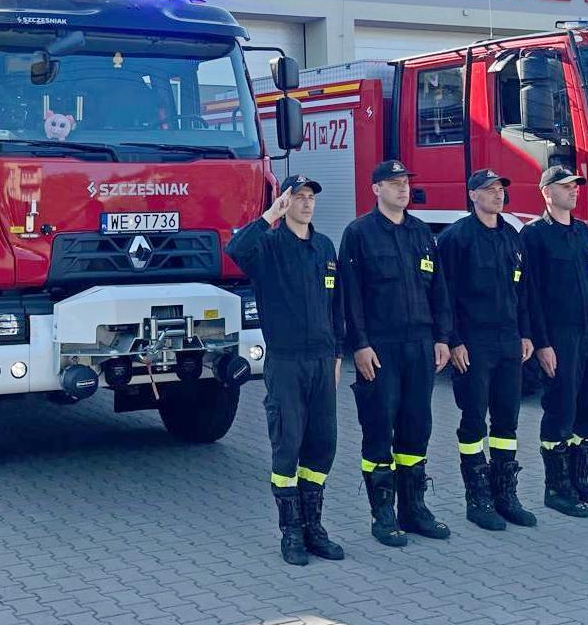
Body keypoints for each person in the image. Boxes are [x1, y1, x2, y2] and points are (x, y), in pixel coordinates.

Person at [225, 175, 345, 566]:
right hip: (286, 361)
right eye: (299, 197)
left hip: (322, 362)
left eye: (311, 197)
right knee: (287, 443)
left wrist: (337, 356)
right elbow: (235, 249)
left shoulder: (324, 247)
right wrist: (268, 216)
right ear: (285, 202)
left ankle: (314, 528)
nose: (307, 203)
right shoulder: (268, 246)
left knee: (322, 444)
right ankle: (291, 532)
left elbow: (336, 306)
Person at [340, 159, 453, 546]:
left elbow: (439, 290)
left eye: (405, 182)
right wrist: (359, 344)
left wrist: (442, 337)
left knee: (417, 426)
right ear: (376, 189)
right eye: (394, 183)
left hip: (420, 345)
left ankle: (414, 508)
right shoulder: (359, 233)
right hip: (380, 347)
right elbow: (351, 296)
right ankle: (383, 513)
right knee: (378, 428)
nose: (403, 188)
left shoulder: (421, 233)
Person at [438, 169, 538, 532]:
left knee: (506, 420)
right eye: (490, 189)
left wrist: (526, 334)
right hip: (473, 344)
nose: (498, 195)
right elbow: (444, 295)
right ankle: (477, 499)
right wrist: (454, 340)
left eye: (500, 189)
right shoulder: (456, 239)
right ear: (473, 196)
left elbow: (522, 292)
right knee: (474, 420)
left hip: (508, 342)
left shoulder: (511, 236)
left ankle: (505, 495)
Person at [520, 165, 588, 518]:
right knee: (561, 408)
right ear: (547, 192)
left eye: (575, 185)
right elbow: (530, 295)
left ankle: (578, 481)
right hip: (560, 337)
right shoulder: (534, 236)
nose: (574, 190)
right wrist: (542, 343)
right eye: (565, 186)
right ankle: (556, 488)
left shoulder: (584, 233)